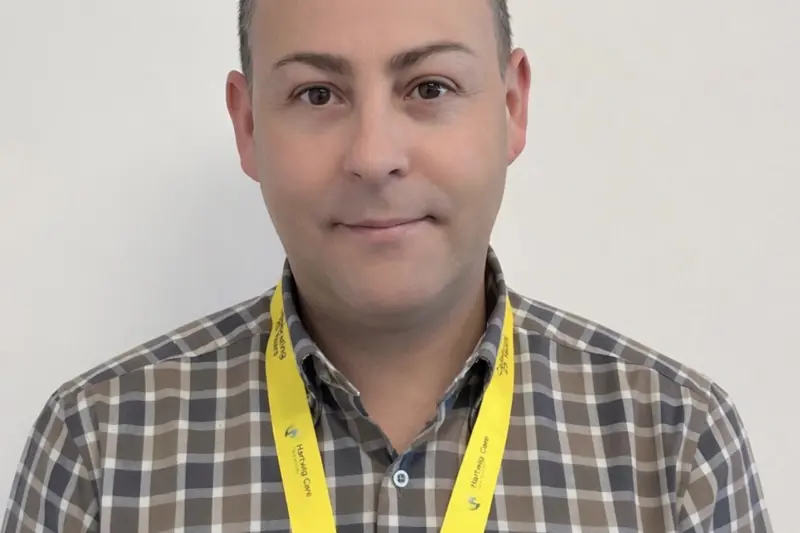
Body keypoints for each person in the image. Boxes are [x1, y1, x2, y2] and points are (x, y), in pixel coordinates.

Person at [1, 1, 773, 532]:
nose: (374, 156)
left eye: (430, 87)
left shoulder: (674, 441)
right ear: (248, 126)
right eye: (317, 94)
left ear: (512, 106)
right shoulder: (100, 444)